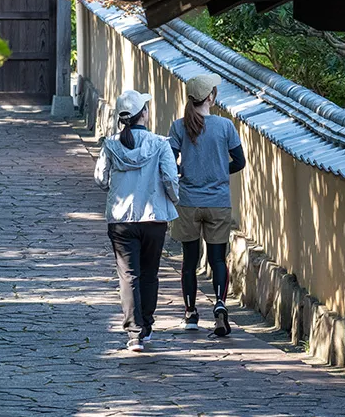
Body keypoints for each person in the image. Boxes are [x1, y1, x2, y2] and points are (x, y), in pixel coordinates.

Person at [95, 90, 180, 352]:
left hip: (121, 220)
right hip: (154, 218)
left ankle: (133, 332)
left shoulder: (111, 144)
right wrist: (173, 199)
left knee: (128, 275)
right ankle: (147, 325)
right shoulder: (160, 144)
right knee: (150, 273)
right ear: (143, 113)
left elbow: (100, 179)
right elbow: (170, 178)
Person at [169, 74, 246, 337]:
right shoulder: (225, 127)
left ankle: (191, 313)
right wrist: (220, 170)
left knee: (189, 261)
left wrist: (184, 171)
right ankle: (221, 306)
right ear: (211, 97)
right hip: (218, 203)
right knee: (217, 259)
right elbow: (240, 161)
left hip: (188, 202)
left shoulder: (179, 127)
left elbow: (170, 161)